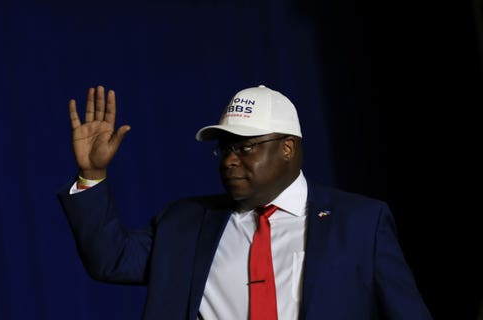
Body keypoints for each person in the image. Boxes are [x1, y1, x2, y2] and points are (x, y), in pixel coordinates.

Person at [57, 84, 432, 319]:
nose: (230, 160)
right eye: (224, 149)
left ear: (288, 148)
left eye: (246, 147)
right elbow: (112, 261)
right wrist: (92, 174)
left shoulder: (361, 223)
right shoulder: (186, 222)